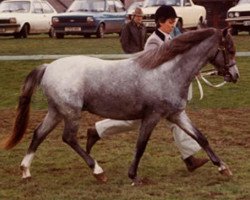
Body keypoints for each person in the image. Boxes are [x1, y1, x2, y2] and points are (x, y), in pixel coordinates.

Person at [86, 5, 208, 172]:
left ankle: (189, 159)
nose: (173, 25)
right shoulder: (153, 41)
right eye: (170, 22)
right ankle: (96, 131)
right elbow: (154, 67)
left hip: (165, 94)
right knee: (133, 121)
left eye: (174, 22)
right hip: (151, 93)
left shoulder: (169, 38)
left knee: (177, 121)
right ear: (160, 22)